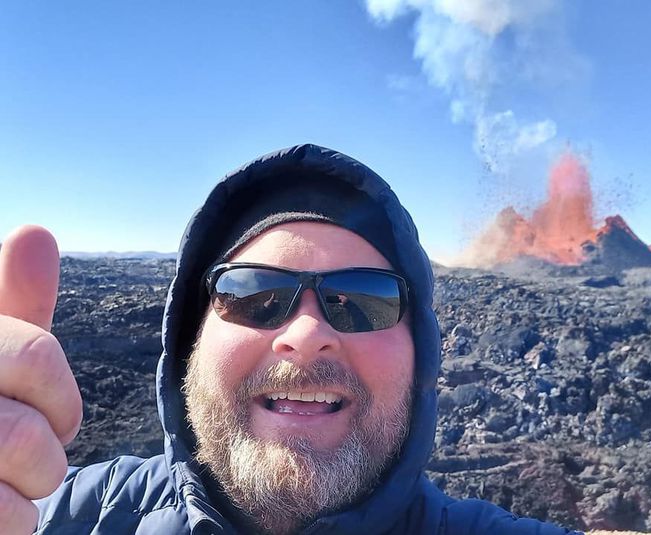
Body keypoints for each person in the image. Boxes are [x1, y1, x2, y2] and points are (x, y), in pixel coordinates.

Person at [0, 144, 583, 534]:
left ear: (422, 354)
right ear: (190, 340)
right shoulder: (76, 514)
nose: (306, 335)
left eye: (364, 300)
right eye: (253, 295)